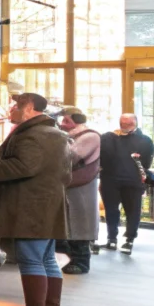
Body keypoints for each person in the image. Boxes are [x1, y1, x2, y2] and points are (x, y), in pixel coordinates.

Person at [0, 92, 75, 306]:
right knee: (47, 259)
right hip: (48, 206)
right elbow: (67, 174)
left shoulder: (31, 135)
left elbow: (21, 167)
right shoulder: (57, 134)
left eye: (16, 105)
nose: (11, 109)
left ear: (29, 107)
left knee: (32, 260)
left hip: (30, 208)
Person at [97, 112, 154, 253]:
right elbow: (100, 156)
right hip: (111, 179)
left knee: (132, 211)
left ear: (135, 123)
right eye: (123, 123)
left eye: (128, 123)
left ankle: (129, 239)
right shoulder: (107, 137)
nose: (125, 126)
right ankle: (112, 239)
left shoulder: (145, 140)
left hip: (132, 180)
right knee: (111, 210)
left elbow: (146, 163)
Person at [58, 108, 100, 274]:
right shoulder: (74, 135)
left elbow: (71, 156)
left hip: (81, 187)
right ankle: (69, 257)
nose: (62, 124)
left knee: (80, 223)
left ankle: (81, 261)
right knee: (71, 223)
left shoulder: (89, 136)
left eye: (66, 120)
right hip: (71, 186)